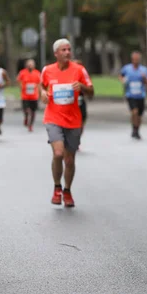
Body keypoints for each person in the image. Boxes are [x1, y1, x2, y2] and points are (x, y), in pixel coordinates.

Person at [40, 39, 94, 208]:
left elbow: (92, 93)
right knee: (58, 153)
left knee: (69, 160)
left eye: (69, 49)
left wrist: (83, 88)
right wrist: (42, 93)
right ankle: (57, 187)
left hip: (73, 120)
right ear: (56, 53)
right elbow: (41, 86)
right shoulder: (47, 70)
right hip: (53, 118)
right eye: (63, 50)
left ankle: (67, 190)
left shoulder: (79, 70)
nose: (67, 52)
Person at [120, 51, 147, 140]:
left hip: (141, 95)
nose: (136, 61)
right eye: (134, 59)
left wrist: (144, 78)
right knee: (134, 112)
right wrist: (123, 80)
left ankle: (136, 130)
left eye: (137, 59)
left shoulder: (144, 70)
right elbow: (121, 75)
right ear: (132, 59)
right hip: (130, 94)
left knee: (139, 115)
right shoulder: (127, 68)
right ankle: (134, 128)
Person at [17, 59, 41, 132]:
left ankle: (30, 125)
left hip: (34, 96)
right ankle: (26, 118)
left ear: (34, 65)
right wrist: (21, 86)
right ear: (26, 65)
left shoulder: (37, 73)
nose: (30, 66)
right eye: (29, 64)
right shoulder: (22, 72)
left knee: (33, 112)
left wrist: (40, 93)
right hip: (25, 96)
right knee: (26, 110)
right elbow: (18, 80)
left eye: (32, 64)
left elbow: (39, 83)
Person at [72, 59, 89, 149]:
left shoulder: (83, 77)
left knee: (82, 121)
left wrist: (82, 87)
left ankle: (77, 139)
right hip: (70, 104)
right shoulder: (67, 76)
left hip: (81, 101)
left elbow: (90, 90)